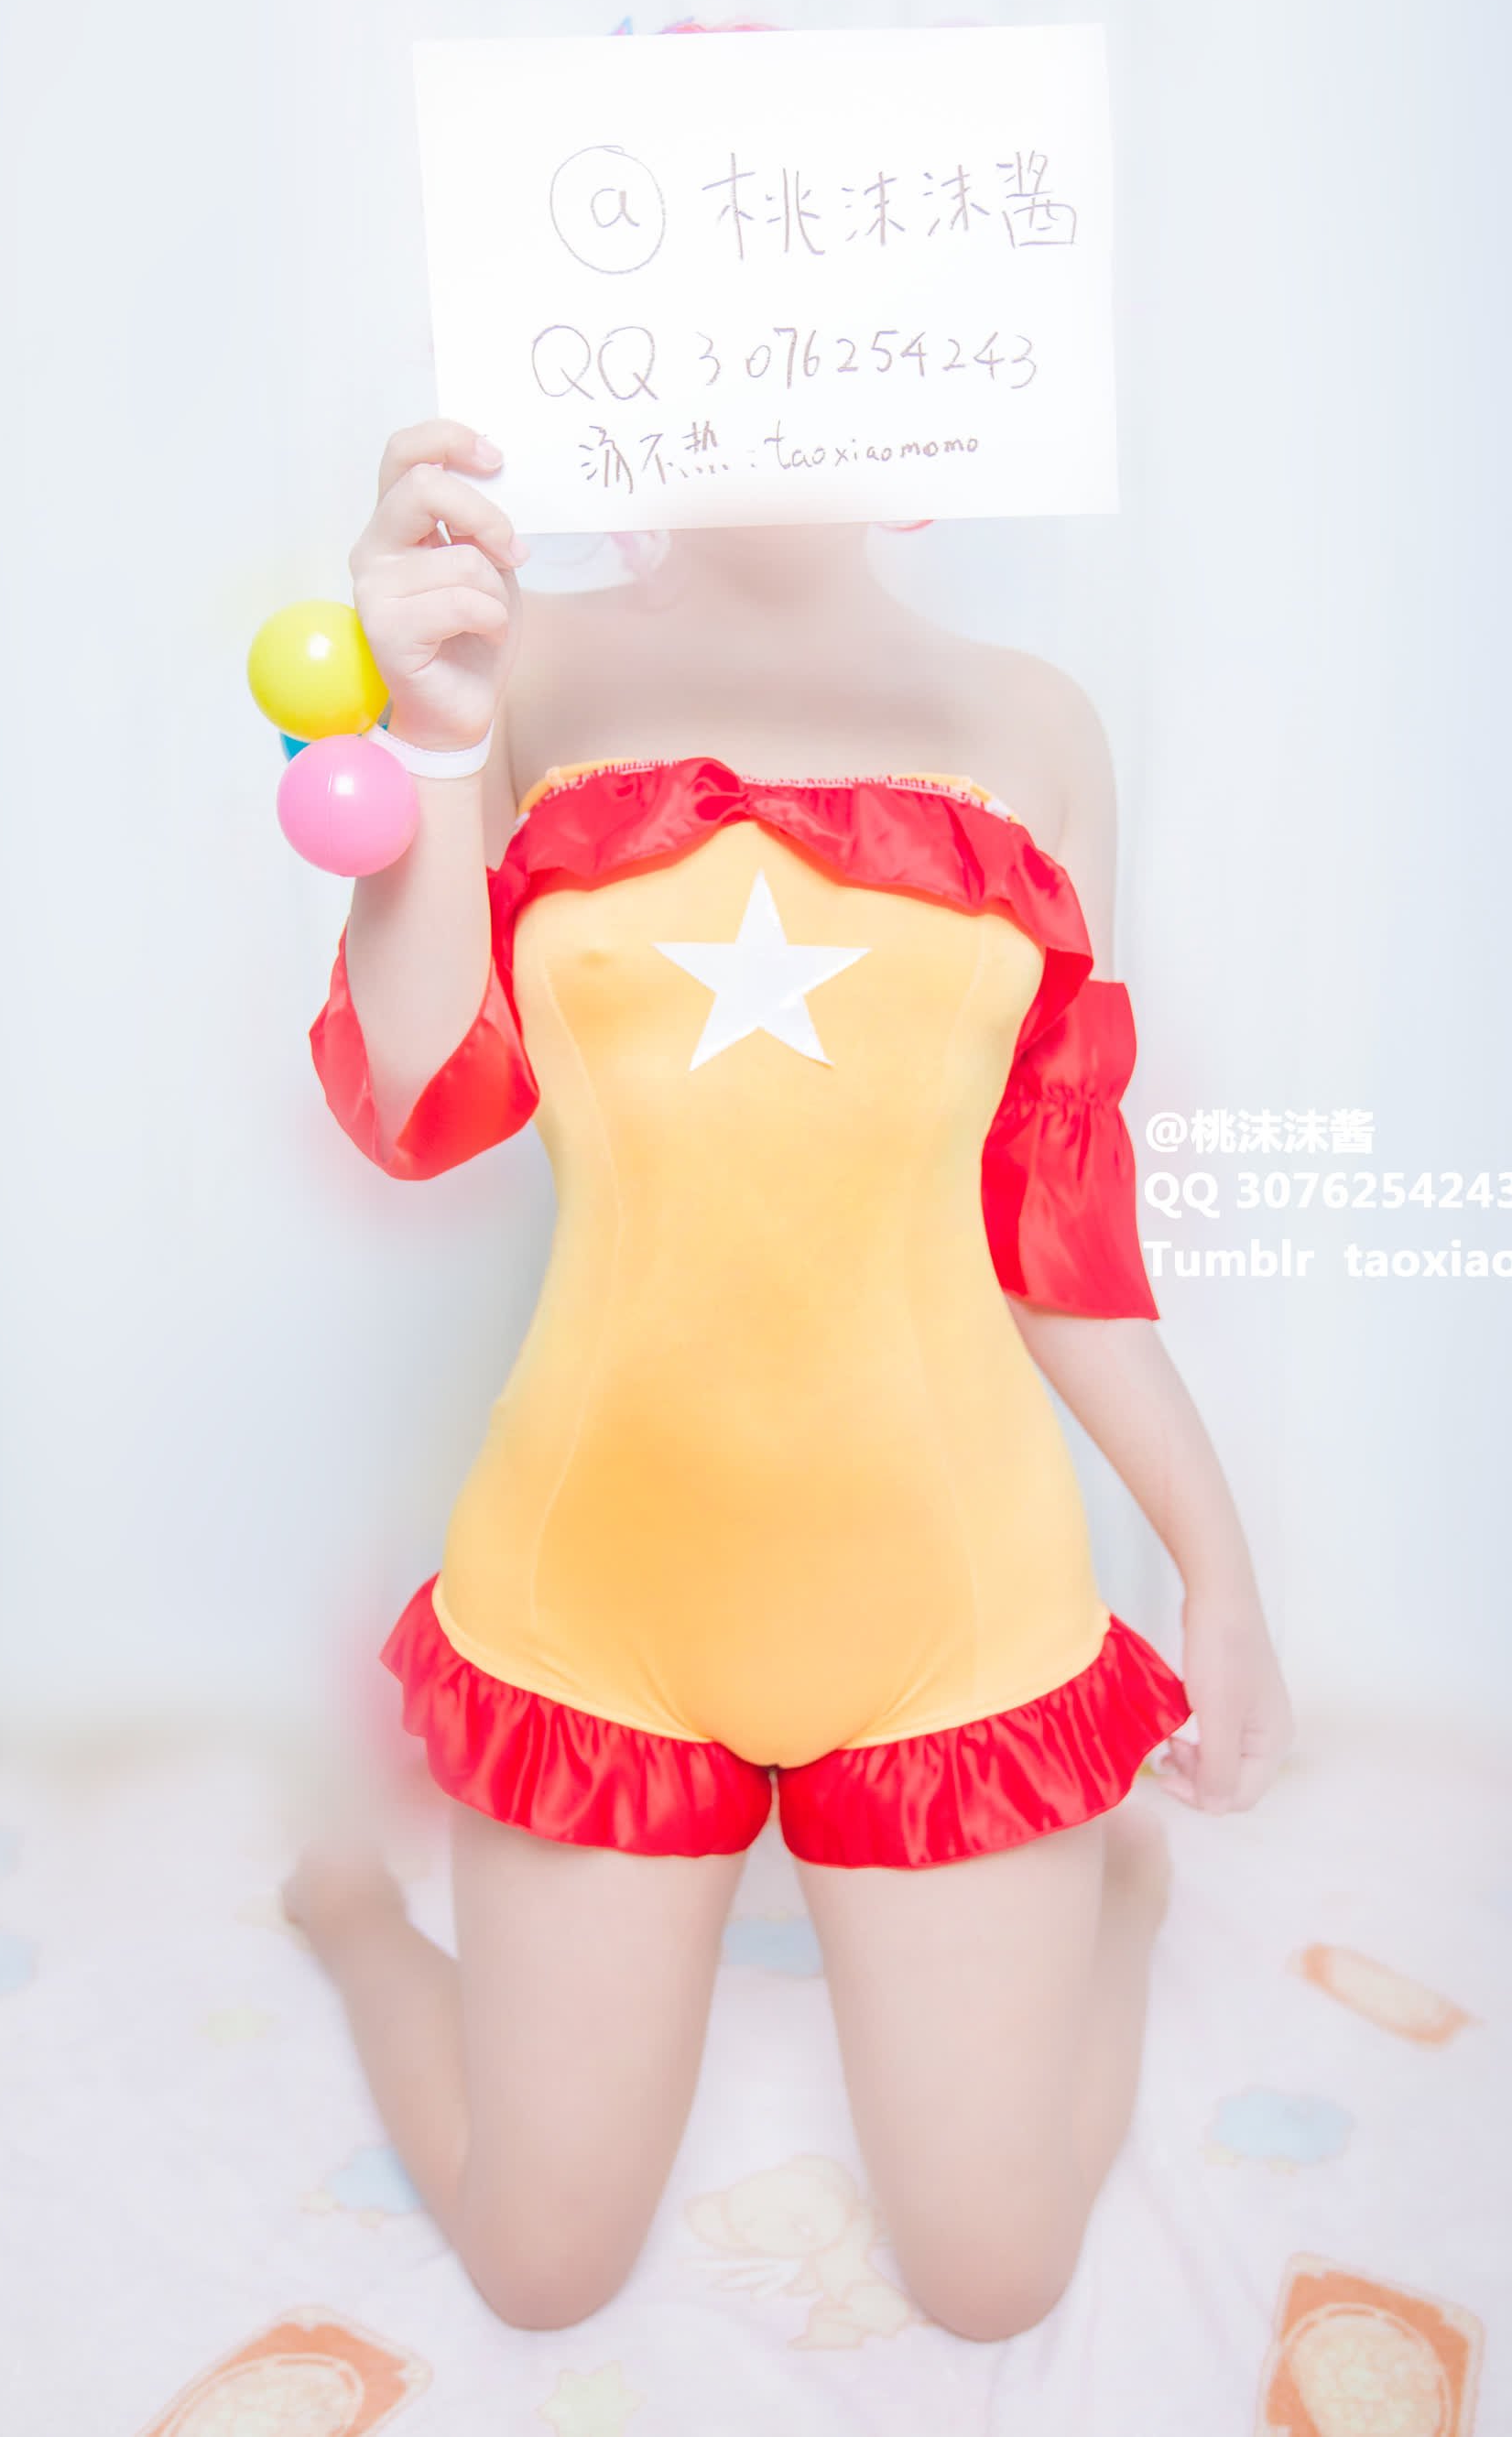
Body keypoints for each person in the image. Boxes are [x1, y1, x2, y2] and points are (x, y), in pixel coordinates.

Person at [283, 419, 1295, 2340]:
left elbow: (1055, 1223)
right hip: (593, 1599)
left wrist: (1218, 1573)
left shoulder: (1037, 722)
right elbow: (414, 1103)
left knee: (993, 2283)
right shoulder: (511, 663)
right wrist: (424, 736)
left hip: (950, 1607)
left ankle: (1119, 1892)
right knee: (539, 2269)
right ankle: (351, 1921)